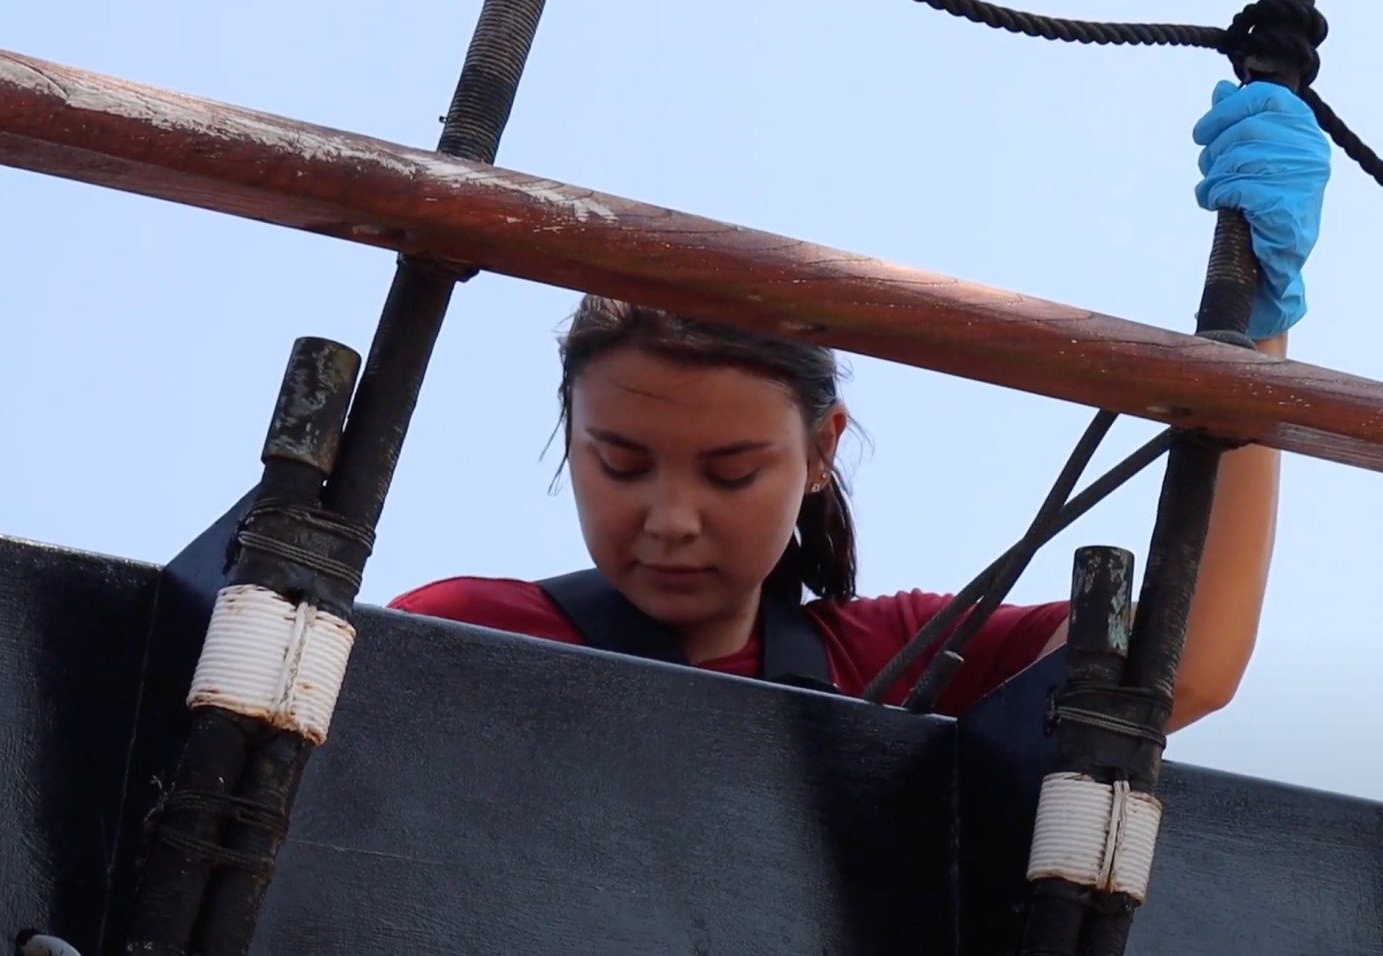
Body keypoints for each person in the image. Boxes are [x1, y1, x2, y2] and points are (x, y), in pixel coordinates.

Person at [390, 78, 1331, 731]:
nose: (671, 521)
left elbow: (1182, 667)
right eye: (622, 464)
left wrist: (1254, 343)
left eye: (731, 471)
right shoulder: (453, 631)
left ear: (821, 450)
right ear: (571, 438)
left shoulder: (900, 656)